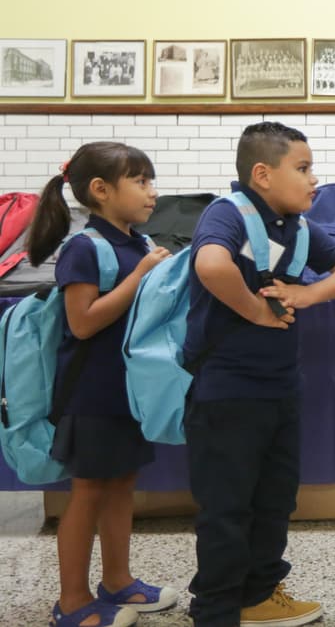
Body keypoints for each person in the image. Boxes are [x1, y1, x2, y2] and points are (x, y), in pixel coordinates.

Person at [184, 122, 335, 627]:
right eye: (303, 168)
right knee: (227, 507)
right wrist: (254, 310)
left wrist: (309, 293)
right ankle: (216, 609)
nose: (314, 179)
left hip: (280, 388)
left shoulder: (298, 227)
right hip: (226, 391)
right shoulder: (228, 212)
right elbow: (211, 265)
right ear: (263, 175)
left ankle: (259, 594)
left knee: (273, 500)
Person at [27, 142, 178, 627]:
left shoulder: (139, 242)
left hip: (128, 392)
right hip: (89, 395)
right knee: (88, 491)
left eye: (151, 181)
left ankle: (118, 581)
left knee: (121, 485)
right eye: (141, 181)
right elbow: (84, 322)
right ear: (100, 189)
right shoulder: (85, 248)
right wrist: (141, 276)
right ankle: (71, 601)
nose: (152, 192)